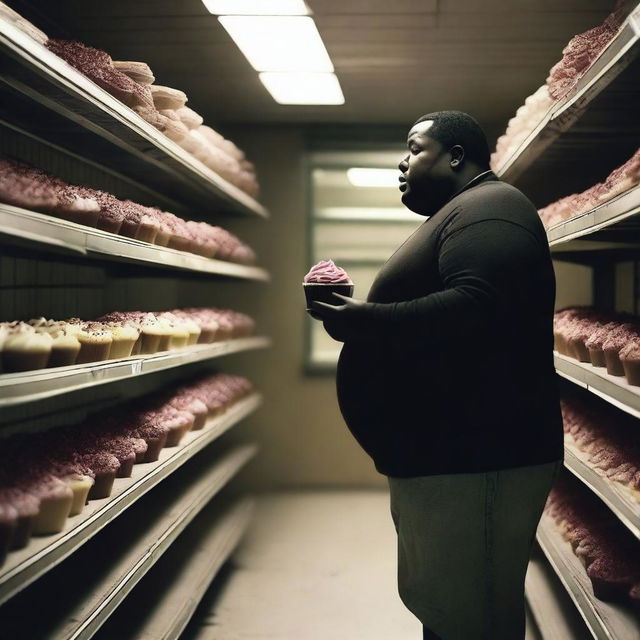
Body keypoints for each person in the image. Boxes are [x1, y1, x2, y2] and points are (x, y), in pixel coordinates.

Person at [309, 111, 564, 640]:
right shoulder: (464, 212)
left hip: (479, 461)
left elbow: (477, 306)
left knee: (473, 619)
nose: (402, 163)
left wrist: (363, 319)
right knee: (452, 611)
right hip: (452, 461)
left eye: (414, 148)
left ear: (455, 155)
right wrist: (362, 327)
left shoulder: (492, 208)